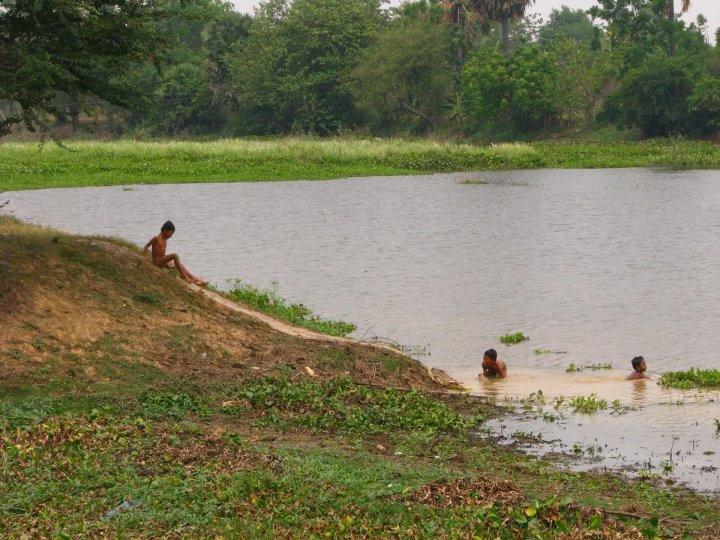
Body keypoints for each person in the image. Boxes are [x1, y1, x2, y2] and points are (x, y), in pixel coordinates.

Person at [143, 220, 207, 286]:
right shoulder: (156, 238)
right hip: (157, 261)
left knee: (181, 265)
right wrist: (145, 258)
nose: (171, 236)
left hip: (163, 261)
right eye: (171, 233)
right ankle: (185, 277)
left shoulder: (165, 239)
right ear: (165, 231)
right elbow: (146, 246)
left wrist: (167, 263)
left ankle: (196, 280)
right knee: (174, 255)